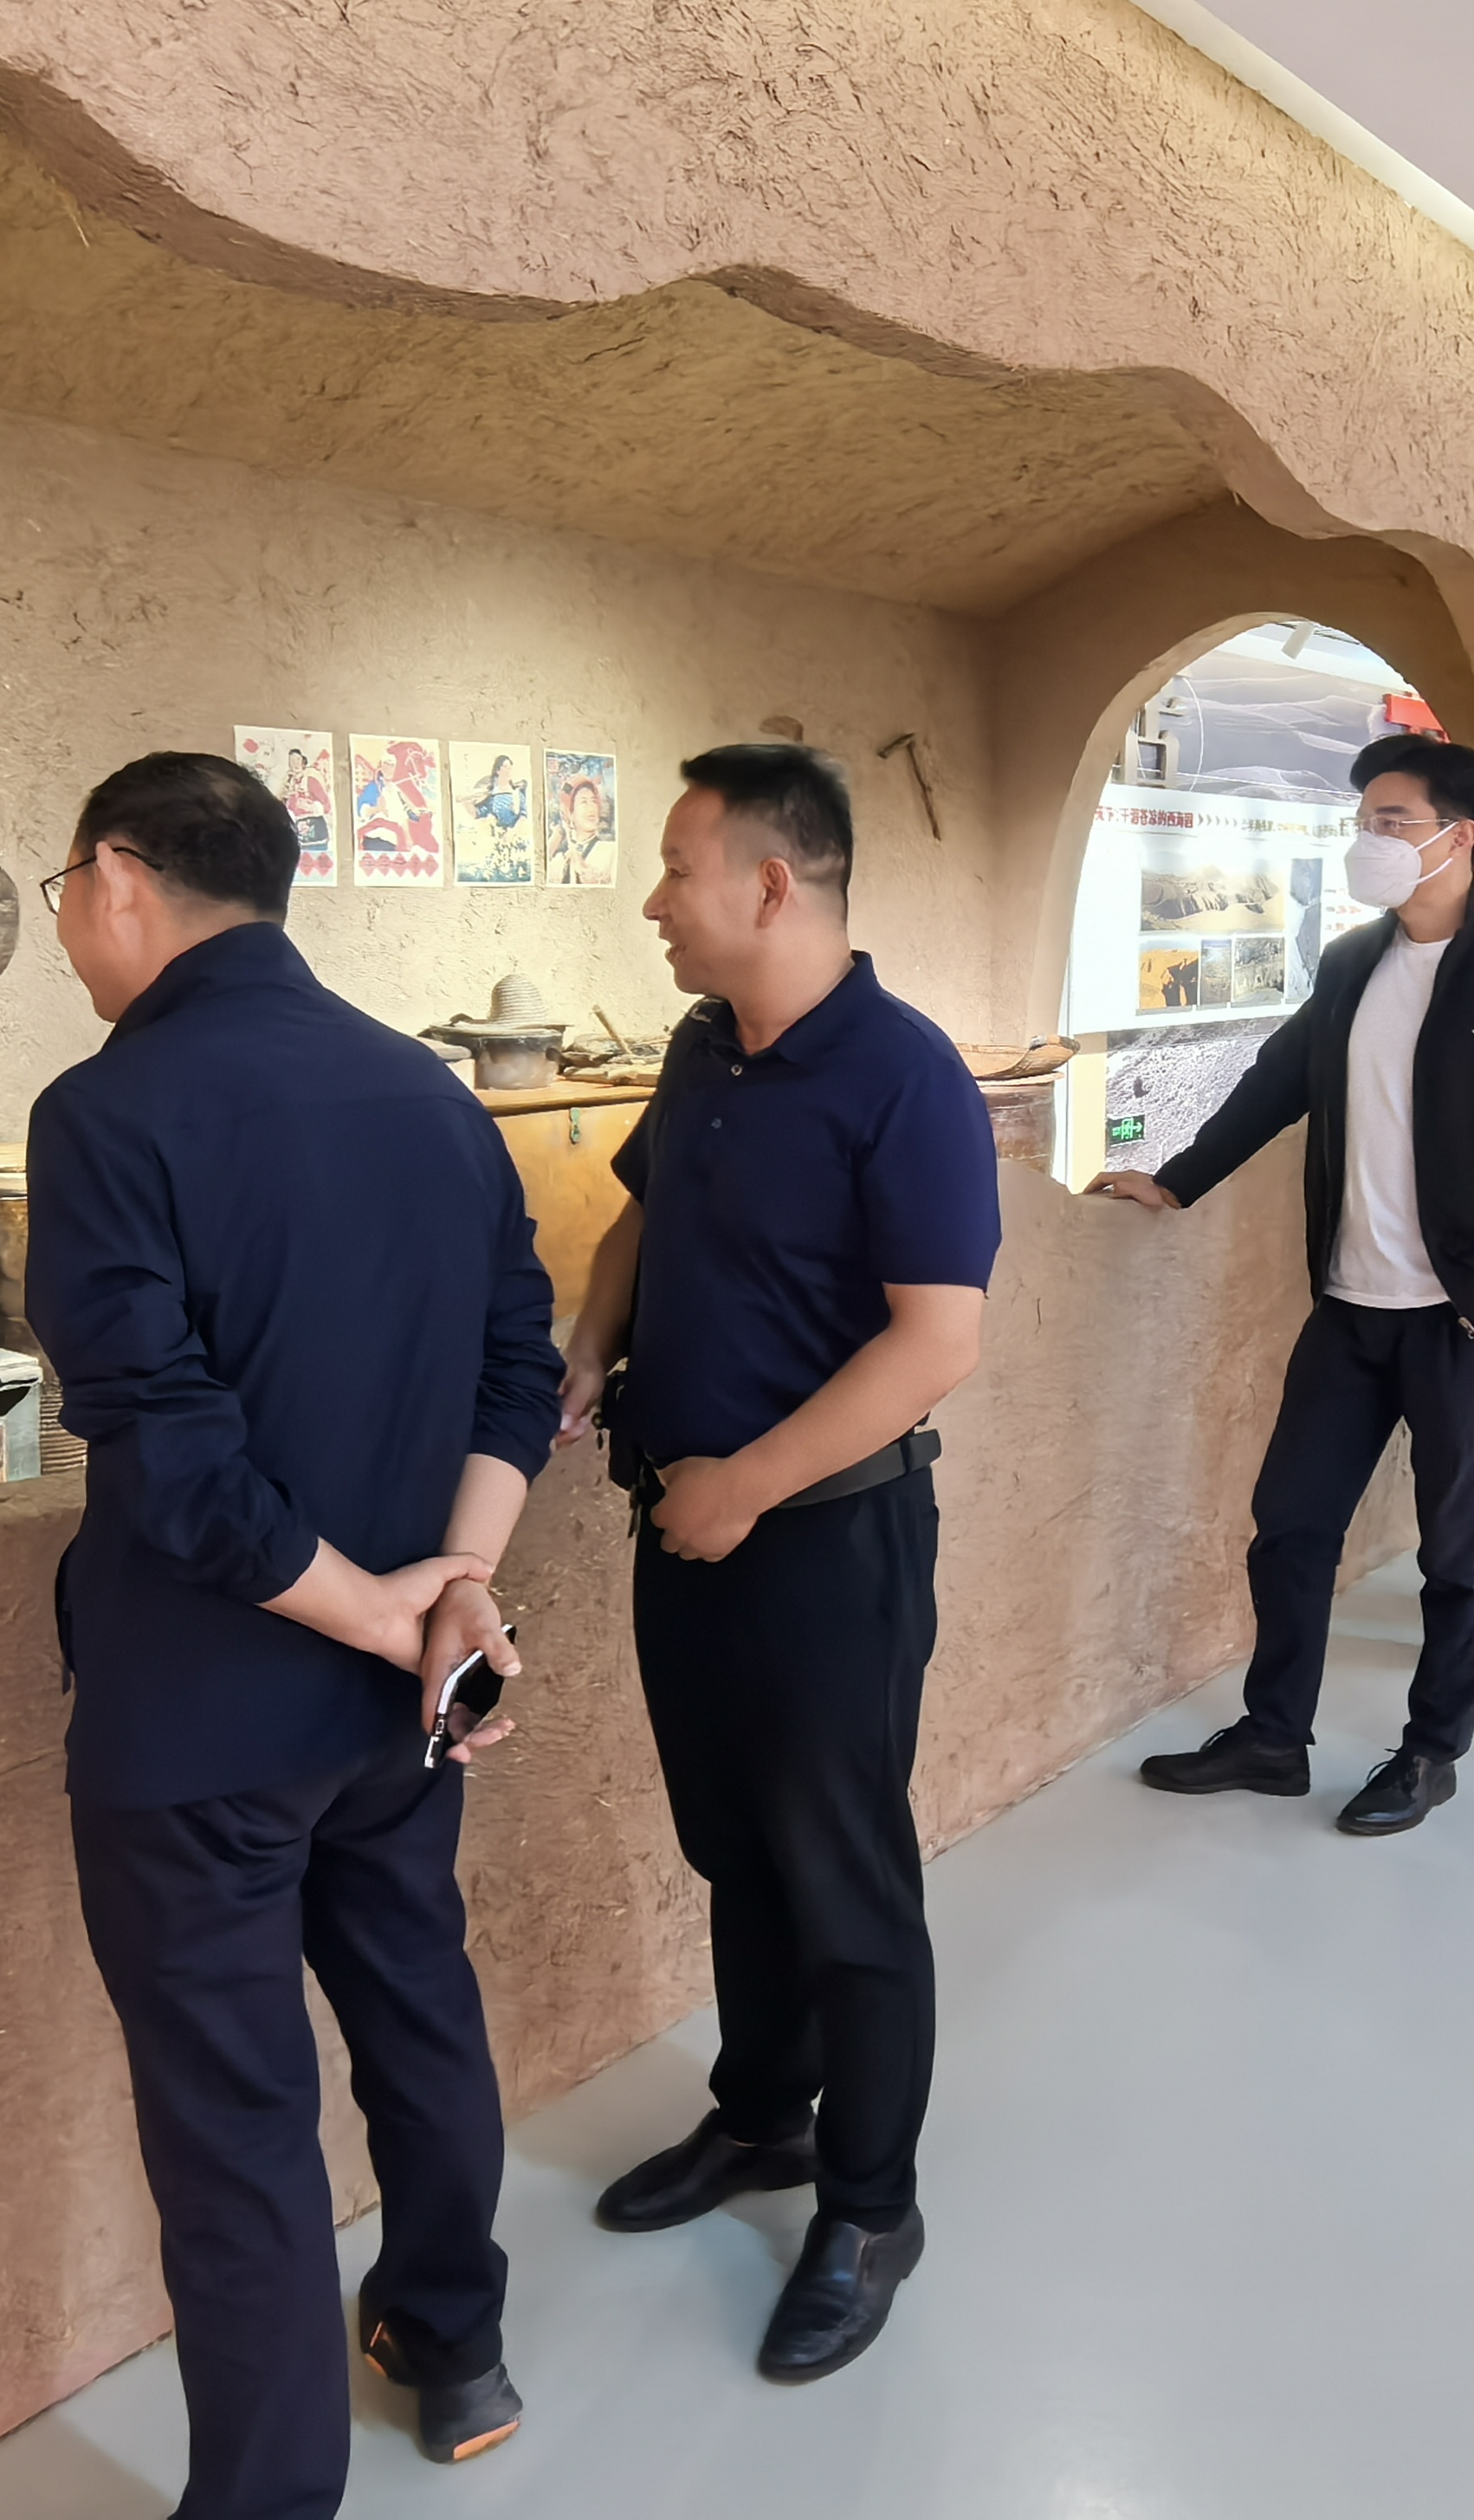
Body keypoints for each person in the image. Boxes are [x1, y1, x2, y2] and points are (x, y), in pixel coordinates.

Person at [28, 752, 561, 2504]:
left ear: (120, 879)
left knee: (238, 2133)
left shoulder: (108, 1110)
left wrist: (385, 1608)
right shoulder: (430, 1094)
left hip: (203, 1724)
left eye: (65, 893)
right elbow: (518, 1365)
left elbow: (173, 1459)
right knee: (417, 2007)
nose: (69, 930)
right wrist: (451, 1587)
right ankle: (455, 2343)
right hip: (402, 1708)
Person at [561, 745, 998, 2383]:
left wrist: (745, 1484)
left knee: (843, 1878)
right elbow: (643, 1214)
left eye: (677, 869)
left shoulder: (904, 1075)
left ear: (768, 882)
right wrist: (588, 1348)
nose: (654, 903)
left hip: (825, 1544)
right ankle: (761, 2118)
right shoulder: (703, 1048)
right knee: (735, 1847)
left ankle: (872, 2205)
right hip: (684, 1527)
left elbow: (937, 1339)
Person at [1093, 733, 1474, 1826]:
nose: (1367, 838)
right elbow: (1279, 1080)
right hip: (1351, 1308)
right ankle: (1274, 1736)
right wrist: (1174, 1180)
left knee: (1458, 1554)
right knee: (1290, 1527)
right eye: (1361, 821)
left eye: (1391, 821)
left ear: (1459, 838)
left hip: (1461, 1315)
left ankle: (1428, 1752)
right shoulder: (1352, 961)